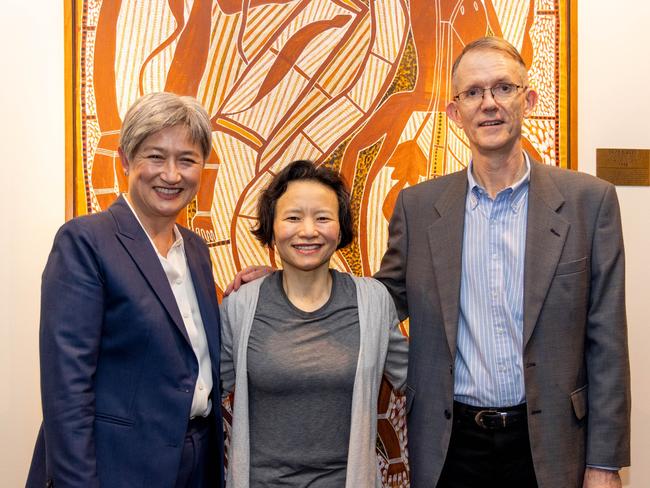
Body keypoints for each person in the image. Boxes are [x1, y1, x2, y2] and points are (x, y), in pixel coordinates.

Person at [374, 37, 630, 487]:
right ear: (455, 114)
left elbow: (607, 342)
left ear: (527, 99)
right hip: (448, 446)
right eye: (472, 92)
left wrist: (605, 464)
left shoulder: (589, 203)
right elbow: (378, 305)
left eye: (503, 88)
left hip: (550, 445)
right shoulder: (417, 207)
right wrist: (286, 284)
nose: (489, 103)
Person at [27, 92, 224, 487]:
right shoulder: (86, 242)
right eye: (155, 156)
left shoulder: (197, 251)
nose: (171, 174)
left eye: (186, 160)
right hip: (116, 468)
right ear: (125, 159)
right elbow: (67, 393)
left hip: (194, 463)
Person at [220, 160, 408, 488]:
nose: (308, 231)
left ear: (340, 227)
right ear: (272, 226)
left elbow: (418, 382)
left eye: (322, 218)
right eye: (293, 217)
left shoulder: (374, 302)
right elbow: (203, 392)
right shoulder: (241, 305)